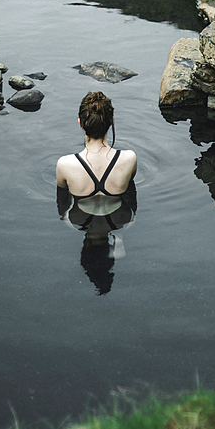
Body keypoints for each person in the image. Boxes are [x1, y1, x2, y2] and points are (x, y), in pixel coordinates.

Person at [56, 91, 137, 293]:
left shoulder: (65, 164)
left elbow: (62, 205)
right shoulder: (129, 159)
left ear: (80, 123)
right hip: (119, 219)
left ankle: (103, 241)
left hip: (79, 220)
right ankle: (114, 240)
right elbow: (131, 197)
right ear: (111, 121)